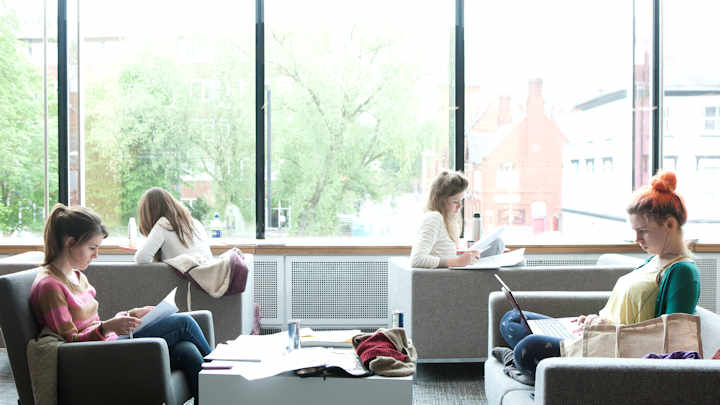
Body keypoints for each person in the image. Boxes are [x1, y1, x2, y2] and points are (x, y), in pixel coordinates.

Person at [498, 170, 700, 380]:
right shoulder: (652, 260)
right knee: (511, 320)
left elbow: (672, 345)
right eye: (634, 231)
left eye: (644, 231)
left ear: (669, 224)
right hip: (599, 336)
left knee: (526, 350)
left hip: (614, 352)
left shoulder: (683, 272)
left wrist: (613, 330)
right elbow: (623, 310)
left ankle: (543, 368)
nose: (637, 239)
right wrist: (597, 320)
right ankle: (546, 369)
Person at [30, 204, 211, 402]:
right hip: (94, 359)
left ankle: (218, 396)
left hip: (106, 347)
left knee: (187, 351)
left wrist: (131, 315)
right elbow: (70, 344)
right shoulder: (50, 286)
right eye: (92, 247)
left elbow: (92, 327)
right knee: (183, 324)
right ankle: (227, 372)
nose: (96, 255)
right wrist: (107, 328)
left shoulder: (77, 276)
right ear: (69, 242)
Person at [410, 170, 480, 268]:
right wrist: (457, 262)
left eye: (461, 201)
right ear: (441, 200)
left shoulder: (448, 221)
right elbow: (417, 260)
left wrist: (466, 259)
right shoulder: (434, 218)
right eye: (455, 202)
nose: (460, 206)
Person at [134, 187, 212, 264]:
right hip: (207, 274)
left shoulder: (164, 224)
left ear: (149, 214)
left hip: (186, 275)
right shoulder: (195, 223)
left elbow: (141, 258)